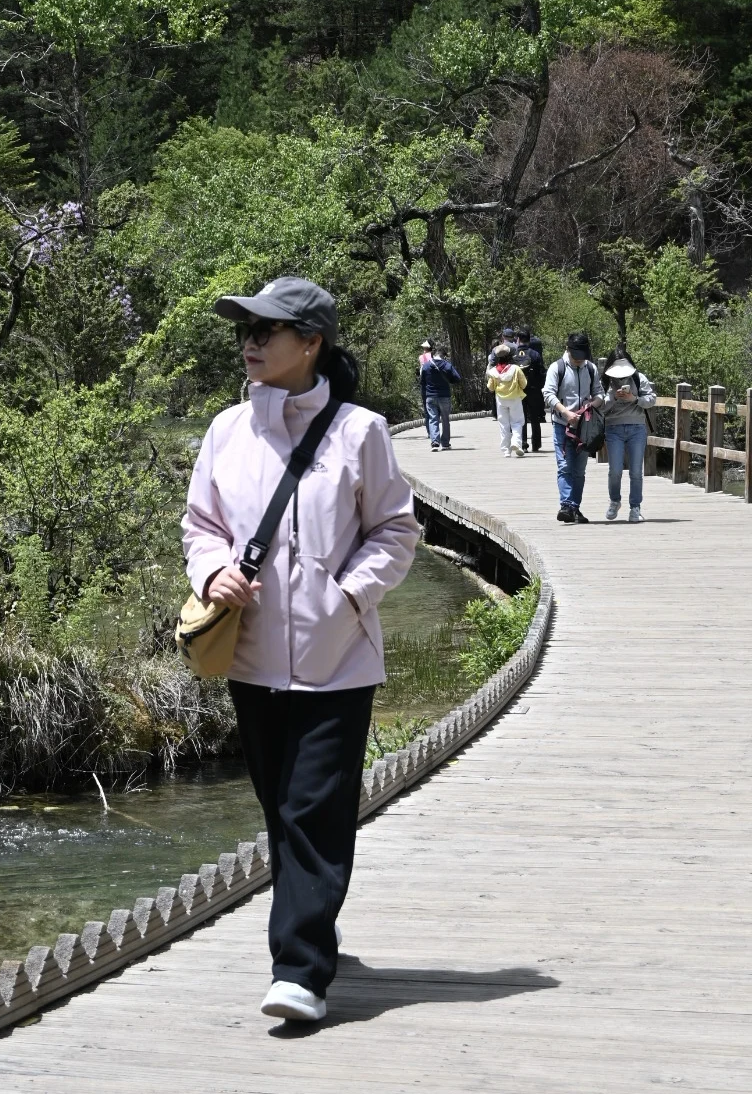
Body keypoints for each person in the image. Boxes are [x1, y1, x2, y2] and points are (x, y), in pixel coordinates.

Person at [182, 276, 419, 1023]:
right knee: (281, 809)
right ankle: (313, 922)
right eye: (244, 330)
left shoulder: (360, 432)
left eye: (266, 330)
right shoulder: (227, 431)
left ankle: (300, 970)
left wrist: (346, 597)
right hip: (250, 657)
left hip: (337, 658)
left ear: (311, 343)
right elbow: (201, 525)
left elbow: (397, 530)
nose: (249, 342)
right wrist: (213, 572)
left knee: (314, 808)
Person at [543, 332, 603, 524]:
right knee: (565, 467)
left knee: (579, 470)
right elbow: (548, 394)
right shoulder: (557, 368)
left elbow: (599, 393)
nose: (579, 360)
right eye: (576, 356)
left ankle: (574, 508)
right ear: (567, 349)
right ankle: (566, 505)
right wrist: (566, 413)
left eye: (582, 356)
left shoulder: (591, 368)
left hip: (584, 427)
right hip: (563, 426)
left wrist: (591, 406)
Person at [601, 349, 657, 523]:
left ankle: (635, 507)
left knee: (636, 471)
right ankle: (615, 501)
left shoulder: (639, 378)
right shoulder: (605, 381)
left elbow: (651, 400)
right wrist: (613, 397)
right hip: (613, 428)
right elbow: (600, 407)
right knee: (615, 470)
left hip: (637, 428)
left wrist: (634, 399)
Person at [417, 338, 461, 451]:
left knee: (433, 419)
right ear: (444, 355)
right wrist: (449, 380)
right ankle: (445, 443)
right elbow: (457, 378)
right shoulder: (447, 365)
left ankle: (435, 442)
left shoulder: (426, 366)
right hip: (444, 396)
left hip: (430, 396)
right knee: (445, 420)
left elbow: (422, 382)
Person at [486, 343, 527, 457]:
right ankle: (516, 443)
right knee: (517, 422)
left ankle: (506, 450)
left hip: (500, 400)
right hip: (515, 398)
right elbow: (524, 384)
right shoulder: (516, 369)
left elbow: (490, 388)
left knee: (503, 424)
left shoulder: (493, 371)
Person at [514, 326, 546, 453]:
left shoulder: (513, 355)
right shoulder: (535, 354)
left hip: (518, 390)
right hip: (533, 389)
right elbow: (542, 373)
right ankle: (536, 444)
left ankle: (523, 443)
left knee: (520, 417)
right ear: (529, 340)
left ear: (518, 339)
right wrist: (539, 387)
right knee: (534, 417)